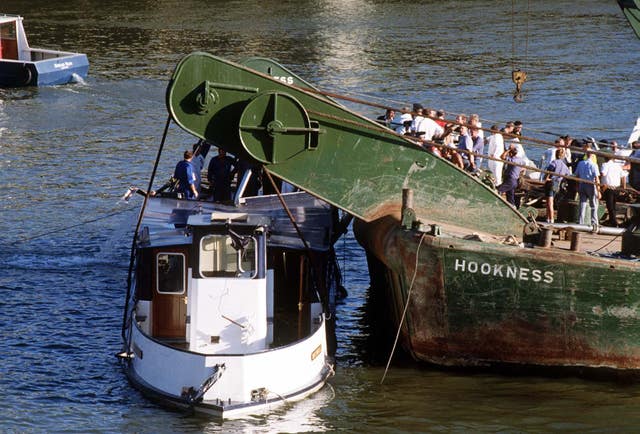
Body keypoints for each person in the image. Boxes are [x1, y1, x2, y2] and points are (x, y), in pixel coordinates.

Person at [575, 148, 601, 226]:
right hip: (591, 185)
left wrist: (577, 186)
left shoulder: (580, 163)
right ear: (592, 155)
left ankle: (581, 222)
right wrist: (598, 191)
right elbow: (597, 178)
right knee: (593, 204)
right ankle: (594, 222)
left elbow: (577, 175)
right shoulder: (594, 165)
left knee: (582, 203)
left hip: (582, 184)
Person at [544, 148, 570, 223]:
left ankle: (550, 219)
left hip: (551, 182)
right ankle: (548, 218)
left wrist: (546, 178)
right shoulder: (564, 166)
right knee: (551, 201)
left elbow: (548, 170)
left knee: (549, 203)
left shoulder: (554, 162)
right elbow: (567, 174)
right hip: (557, 184)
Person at [600, 154, 624, 226]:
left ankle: (614, 222)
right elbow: (623, 176)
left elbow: (603, 174)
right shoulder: (618, 166)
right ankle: (612, 220)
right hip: (616, 187)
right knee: (613, 205)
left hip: (608, 188)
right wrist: (623, 187)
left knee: (610, 205)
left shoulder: (605, 165)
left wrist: (598, 178)